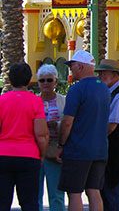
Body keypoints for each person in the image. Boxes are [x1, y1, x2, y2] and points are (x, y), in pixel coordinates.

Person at [57, 50, 110, 211]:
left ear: (80, 66)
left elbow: (67, 122)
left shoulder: (76, 90)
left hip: (78, 150)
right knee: (94, 191)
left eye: (72, 66)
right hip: (100, 149)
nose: (70, 69)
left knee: (74, 192)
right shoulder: (104, 89)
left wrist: (61, 144)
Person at [0, 62, 49, 211]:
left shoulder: (2, 101)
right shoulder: (35, 101)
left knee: (2, 202)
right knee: (29, 203)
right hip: (29, 155)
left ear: (10, 79)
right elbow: (41, 134)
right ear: (29, 79)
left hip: (3, 154)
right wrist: (42, 154)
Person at [95, 60, 119, 211]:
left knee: (112, 192)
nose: (101, 76)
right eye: (100, 73)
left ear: (114, 75)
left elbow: (112, 126)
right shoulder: (112, 92)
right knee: (107, 191)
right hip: (110, 148)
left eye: (104, 73)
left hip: (115, 149)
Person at [37, 64, 66, 211]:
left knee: (57, 194)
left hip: (55, 150)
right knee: (35, 194)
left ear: (55, 81)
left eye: (49, 80)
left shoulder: (64, 101)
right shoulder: (34, 101)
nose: (46, 83)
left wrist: (58, 124)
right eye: (42, 81)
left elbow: (69, 123)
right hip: (36, 150)